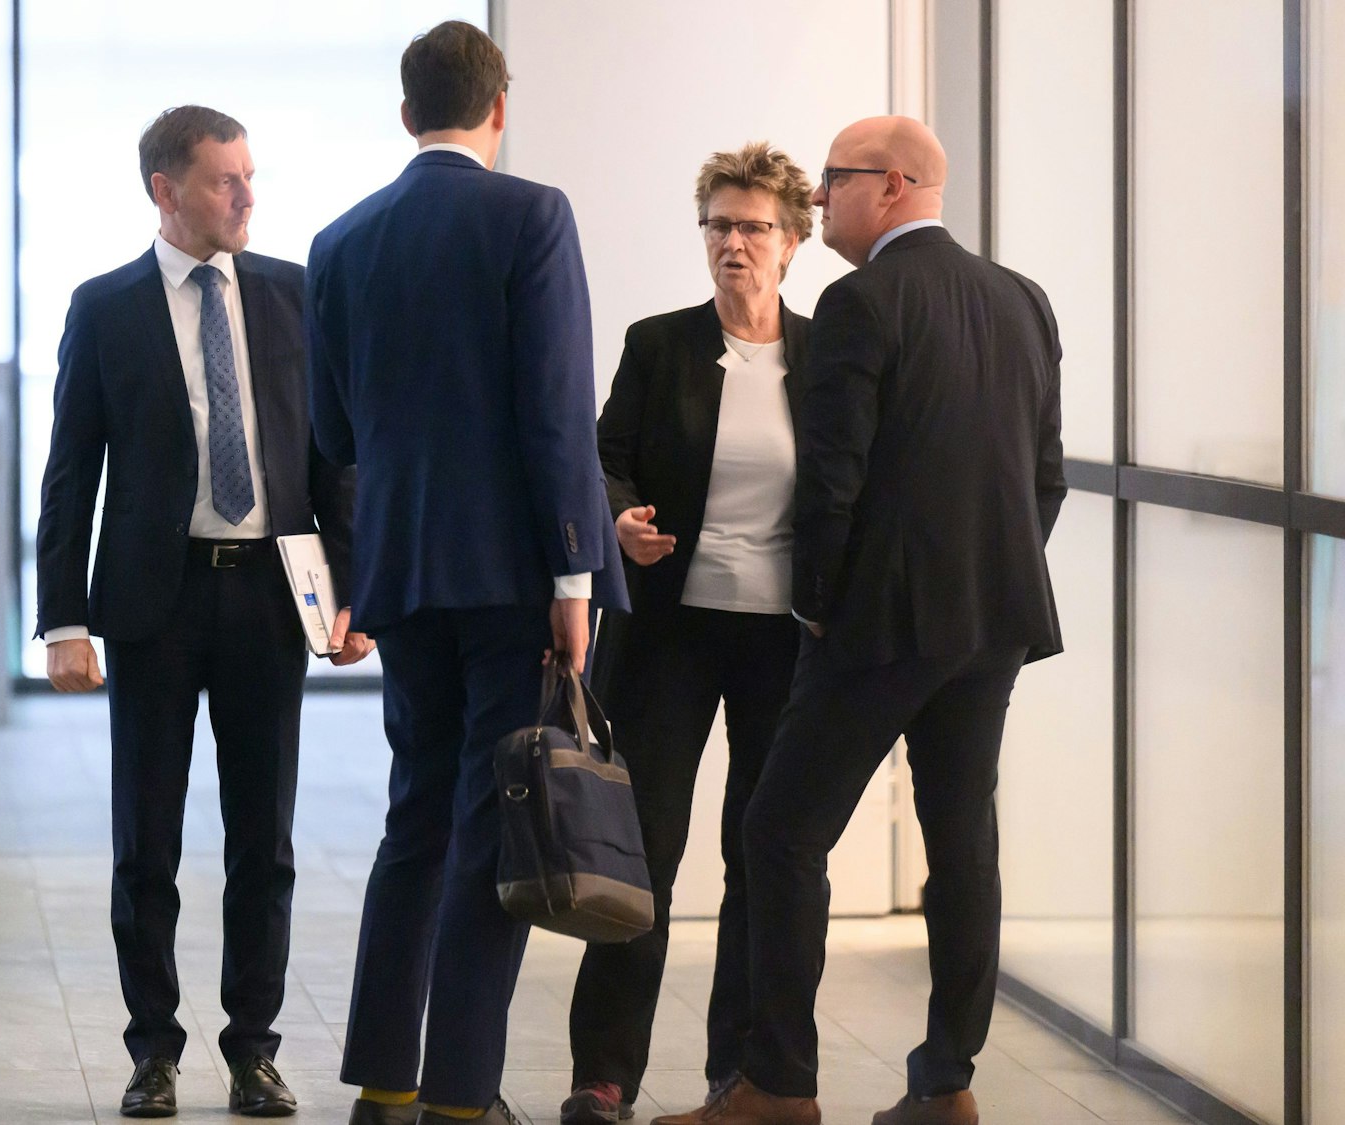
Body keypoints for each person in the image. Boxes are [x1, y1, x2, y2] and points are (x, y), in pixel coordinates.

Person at [656, 117, 1065, 1125]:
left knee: (779, 832)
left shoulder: (859, 300)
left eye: (831, 180)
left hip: (875, 627)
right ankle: (946, 1084)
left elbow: (830, 483)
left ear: (888, 186)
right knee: (961, 845)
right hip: (992, 622)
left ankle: (777, 1086)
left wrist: (814, 609)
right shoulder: (1022, 300)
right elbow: (1043, 477)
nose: (818, 199)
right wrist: (986, 576)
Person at [305, 21, 626, 1125]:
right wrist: (574, 579)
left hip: (403, 572)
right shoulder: (529, 213)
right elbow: (553, 413)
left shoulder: (340, 241)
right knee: (492, 827)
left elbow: (333, 432)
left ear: (405, 115)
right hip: (508, 580)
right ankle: (458, 1098)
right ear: (501, 108)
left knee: (415, 822)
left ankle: (385, 1083)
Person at [33, 104, 368, 1119]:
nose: (246, 197)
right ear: (164, 190)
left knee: (262, 840)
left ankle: (252, 1047)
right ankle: (152, 1050)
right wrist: (62, 623)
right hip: (153, 602)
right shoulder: (105, 308)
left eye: (250, 176)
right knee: (148, 841)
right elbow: (67, 479)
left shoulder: (292, 295)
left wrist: (350, 596)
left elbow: (332, 457)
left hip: (270, 598)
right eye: (226, 180)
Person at [560, 143, 814, 1125]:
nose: (733, 243)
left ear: (789, 243)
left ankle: (738, 1073)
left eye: (753, 227)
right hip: (667, 633)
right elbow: (602, 459)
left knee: (763, 852)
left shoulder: (823, 354)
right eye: (718, 224)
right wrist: (618, 519)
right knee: (639, 857)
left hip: (783, 643)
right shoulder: (659, 343)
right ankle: (603, 1077)